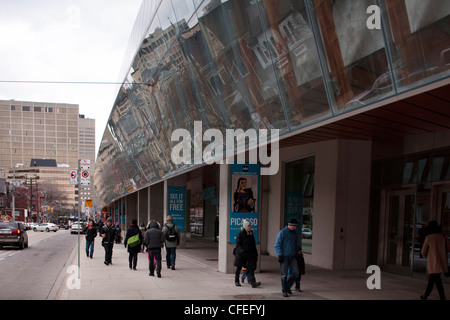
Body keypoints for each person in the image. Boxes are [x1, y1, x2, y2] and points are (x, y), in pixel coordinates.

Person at [420, 220, 448, 300]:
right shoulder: (442, 236)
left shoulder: (429, 238)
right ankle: (425, 296)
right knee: (432, 281)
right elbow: (447, 248)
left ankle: (442, 297)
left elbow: (423, 252)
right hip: (442, 262)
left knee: (436, 281)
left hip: (433, 263)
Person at [275, 218, 301, 297]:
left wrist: (299, 249)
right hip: (284, 256)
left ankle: (287, 287)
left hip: (293, 256)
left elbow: (296, 244)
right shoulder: (282, 232)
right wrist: (279, 255)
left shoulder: (294, 233)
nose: (295, 228)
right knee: (284, 274)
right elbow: (277, 245)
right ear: (290, 225)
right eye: (294, 226)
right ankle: (284, 291)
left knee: (296, 273)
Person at [234, 220, 261, 288]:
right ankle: (237, 281)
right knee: (239, 268)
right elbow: (238, 245)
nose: (249, 227)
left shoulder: (251, 234)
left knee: (251, 268)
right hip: (241, 255)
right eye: (248, 226)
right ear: (245, 226)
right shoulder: (240, 234)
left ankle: (253, 282)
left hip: (250, 255)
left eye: (250, 226)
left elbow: (253, 245)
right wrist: (242, 252)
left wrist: (255, 254)